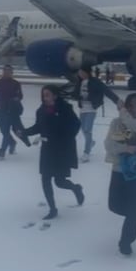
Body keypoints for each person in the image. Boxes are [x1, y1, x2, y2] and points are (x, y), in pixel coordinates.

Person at [18, 85, 84, 220]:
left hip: (62, 149)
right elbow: (39, 126)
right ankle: (52, 209)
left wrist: (66, 136)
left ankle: (76, 188)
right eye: (43, 95)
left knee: (60, 182)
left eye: (47, 94)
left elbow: (76, 124)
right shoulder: (41, 111)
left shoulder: (65, 109)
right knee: (45, 179)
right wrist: (25, 132)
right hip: (47, 149)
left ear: (55, 95)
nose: (45, 97)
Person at [104, 93, 136, 256]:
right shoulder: (116, 123)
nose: (134, 108)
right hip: (119, 170)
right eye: (130, 105)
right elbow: (109, 144)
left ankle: (126, 241)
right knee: (114, 205)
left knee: (133, 208)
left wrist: (122, 110)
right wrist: (125, 148)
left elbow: (131, 125)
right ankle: (132, 217)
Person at [71, 64, 121, 163]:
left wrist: (117, 101)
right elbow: (75, 94)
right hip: (82, 109)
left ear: (86, 72)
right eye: (79, 72)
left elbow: (107, 91)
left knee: (87, 130)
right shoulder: (79, 82)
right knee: (83, 130)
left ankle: (86, 153)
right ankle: (91, 143)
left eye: (81, 72)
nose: (79, 74)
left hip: (91, 109)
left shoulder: (95, 82)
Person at [0, 65, 30, 160]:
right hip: (0, 110)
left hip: (11, 110)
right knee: (3, 130)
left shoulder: (16, 83)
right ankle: (12, 142)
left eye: (9, 71)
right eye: (5, 71)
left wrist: (17, 98)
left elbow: (20, 96)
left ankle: (2, 152)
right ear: (2, 72)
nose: (7, 73)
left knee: (6, 130)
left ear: (12, 73)